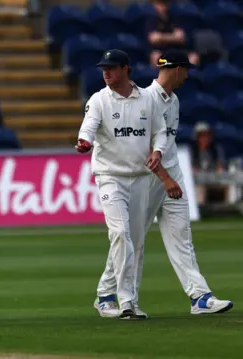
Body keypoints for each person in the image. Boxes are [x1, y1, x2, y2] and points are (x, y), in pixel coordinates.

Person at [95, 50, 233, 318]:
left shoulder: (174, 100)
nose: (188, 75)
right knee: (132, 240)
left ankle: (200, 297)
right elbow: (144, 149)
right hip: (150, 180)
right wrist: (165, 178)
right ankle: (108, 293)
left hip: (173, 179)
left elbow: (165, 144)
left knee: (182, 240)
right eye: (186, 70)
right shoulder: (145, 99)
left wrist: (173, 177)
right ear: (177, 69)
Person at [76, 49, 167, 320]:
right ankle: (127, 303)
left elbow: (160, 131)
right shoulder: (99, 99)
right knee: (120, 234)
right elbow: (89, 126)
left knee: (133, 242)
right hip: (110, 177)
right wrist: (85, 141)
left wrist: (158, 151)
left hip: (140, 178)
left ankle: (105, 294)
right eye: (103, 68)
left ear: (126, 69)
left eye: (112, 68)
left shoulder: (147, 99)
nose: (106, 72)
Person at [146, 0, 199, 67]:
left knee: (194, 57)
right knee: (155, 56)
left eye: (164, 4)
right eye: (159, 4)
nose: (162, 7)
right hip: (163, 55)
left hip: (179, 53)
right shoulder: (151, 21)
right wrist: (173, 37)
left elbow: (181, 38)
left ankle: (188, 76)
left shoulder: (176, 19)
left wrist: (161, 38)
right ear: (154, 5)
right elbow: (154, 39)